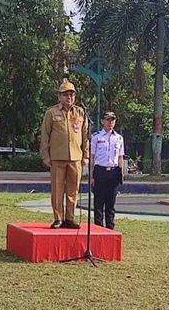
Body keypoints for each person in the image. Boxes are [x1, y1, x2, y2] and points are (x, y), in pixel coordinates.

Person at [40, 80, 89, 229]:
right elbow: (45, 136)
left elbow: (85, 135)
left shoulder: (80, 112)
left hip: (75, 157)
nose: (69, 97)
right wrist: (45, 156)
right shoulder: (51, 112)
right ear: (59, 96)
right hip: (57, 157)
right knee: (57, 189)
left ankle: (70, 218)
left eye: (72, 95)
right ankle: (58, 218)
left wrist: (86, 155)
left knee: (73, 190)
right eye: (66, 95)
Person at [90, 111, 125, 229]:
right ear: (102, 122)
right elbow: (92, 157)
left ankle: (110, 228)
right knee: (99, 202)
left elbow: (120, 156)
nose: (110, 122)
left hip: (114, 171)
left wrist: (121, 172)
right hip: (100, 170)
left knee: (111, 202)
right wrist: (91, 175)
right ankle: (98, 228)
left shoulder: (119, 138)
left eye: (113, 120)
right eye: (108, 120)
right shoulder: (96, 137)